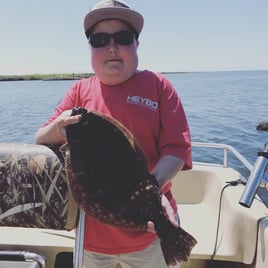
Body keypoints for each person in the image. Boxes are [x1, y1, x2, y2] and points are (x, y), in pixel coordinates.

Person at [35, 0, 192, 267]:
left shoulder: (158, 85)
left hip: (151, 228)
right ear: (90, 49)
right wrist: (58, 126)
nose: (111, 47)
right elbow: (41, 138)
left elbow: (177, 149)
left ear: (137, 45)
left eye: (122, 37)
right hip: (90, 235)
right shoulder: (78, 92)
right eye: (99, 40)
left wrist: (150, 192)